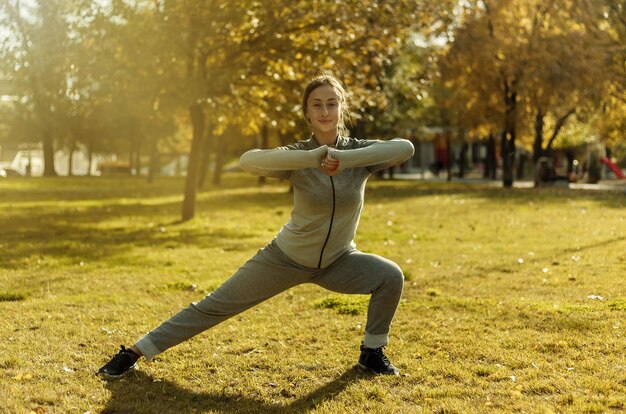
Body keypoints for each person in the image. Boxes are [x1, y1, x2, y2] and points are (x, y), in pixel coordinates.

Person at [98, 73, 415, 379]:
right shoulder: (297, 155)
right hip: (285, 259)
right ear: (306, 112)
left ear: (341, 108)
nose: (325, 111)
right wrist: (313, 158)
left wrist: (344, 160)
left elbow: (405, 148)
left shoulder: (359, 153)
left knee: (389, 276)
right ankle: (136, 352)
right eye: (316, 104)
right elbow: (249, 161)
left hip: (339, 260)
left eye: (332, 103)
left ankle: (372, 353)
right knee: (215, 305)